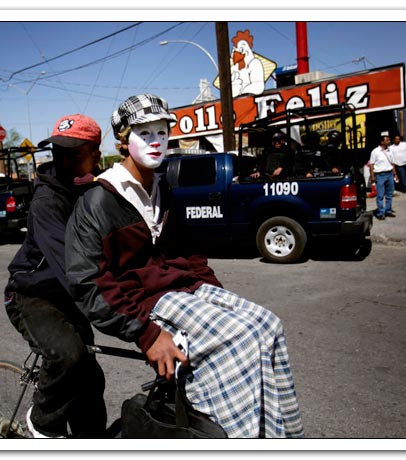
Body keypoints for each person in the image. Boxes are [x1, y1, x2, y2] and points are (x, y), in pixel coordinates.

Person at [65, 94, 303, 438]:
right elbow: (87, 282)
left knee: (267, 326)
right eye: (144, 133)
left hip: (185, 288)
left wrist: (214, 295)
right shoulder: (98, 199)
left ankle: (283, 437)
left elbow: (188, 252)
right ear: (123, 141)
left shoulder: (162, 187)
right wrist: (146, 334)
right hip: (145, 302)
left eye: (162, 132)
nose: (156, 141)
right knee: (237, 339)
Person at [3, 114, 105, 439]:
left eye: (74, 153)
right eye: (59, 152)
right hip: (33, 296)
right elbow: (73, 268)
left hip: (67, 296)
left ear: (95, 156)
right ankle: (43, 425)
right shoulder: (47, 201)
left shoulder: (95, 191)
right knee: (68, 356)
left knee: (91, 380)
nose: (63, 161)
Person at [368, 135, 398, 220]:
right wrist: (372, 176)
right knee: (380, 195)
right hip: (380, 175)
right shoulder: (375, 151)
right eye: (387, 140)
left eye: (389, 140)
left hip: (389, 174)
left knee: (389, 194)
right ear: (382, 142)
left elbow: (392, 163)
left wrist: (395, 173)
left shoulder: (390, 150)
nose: (389, 141)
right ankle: (380, 213)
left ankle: (388, 210)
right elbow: (371, 164)